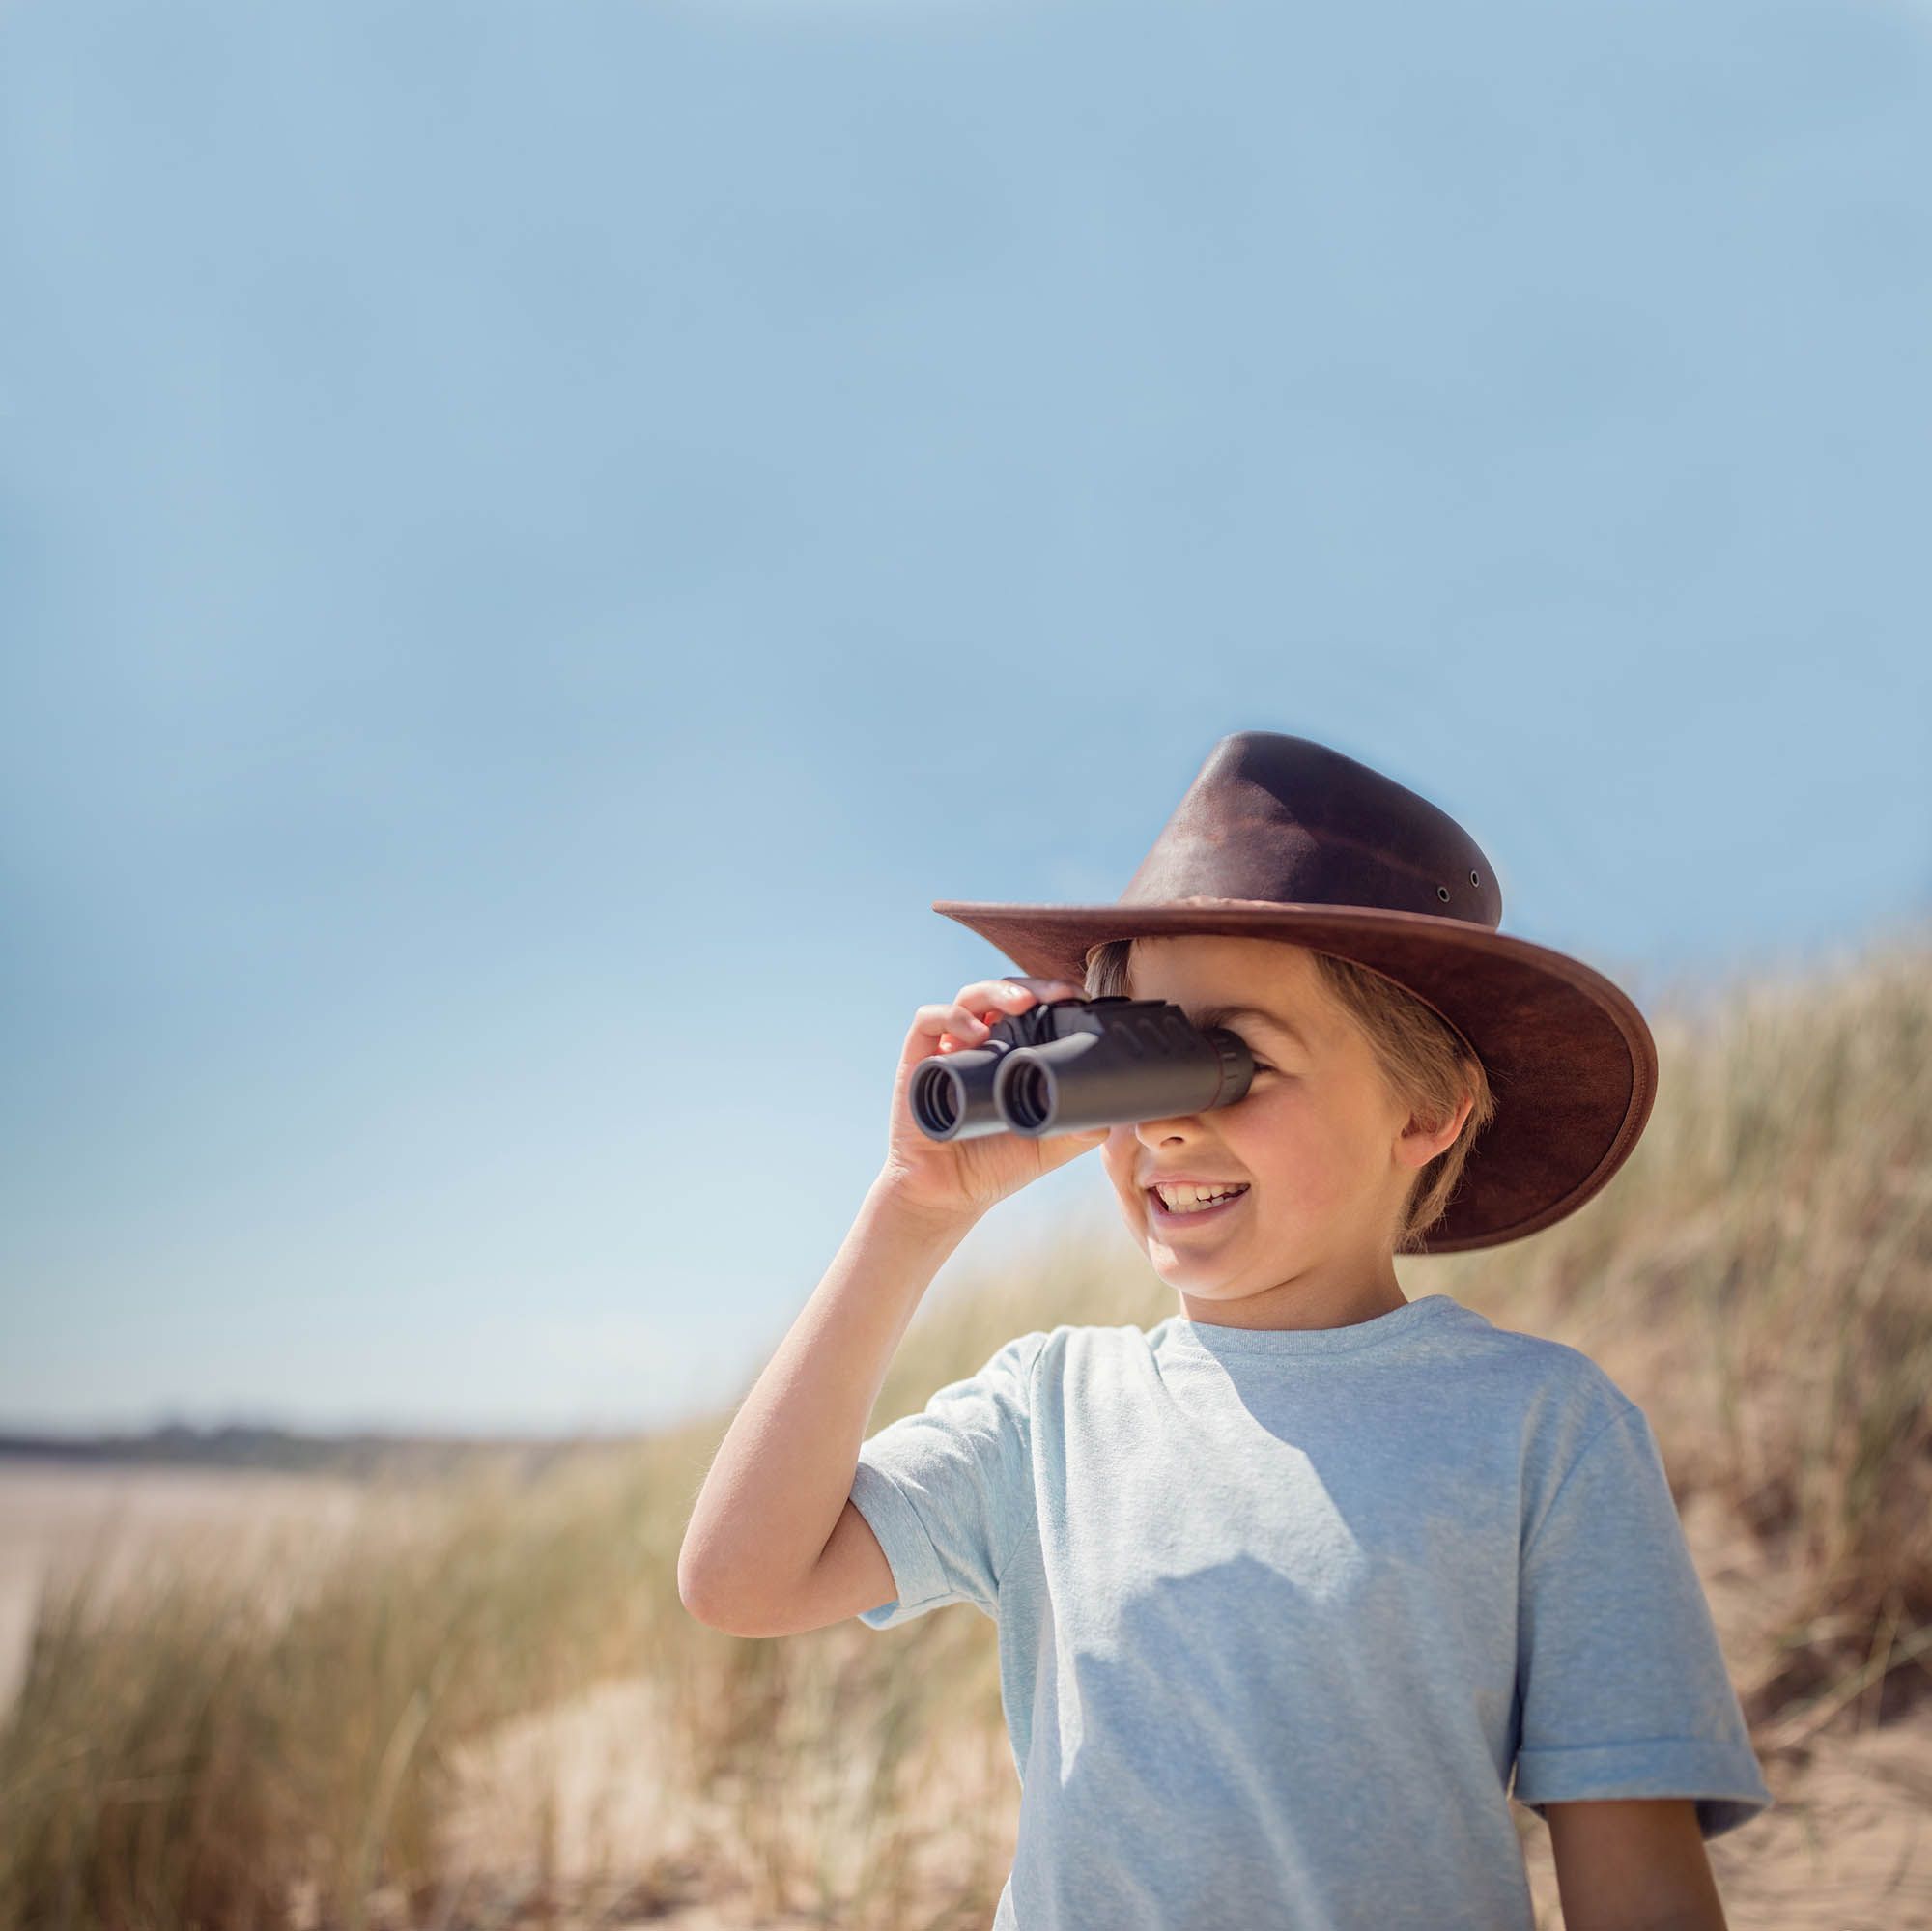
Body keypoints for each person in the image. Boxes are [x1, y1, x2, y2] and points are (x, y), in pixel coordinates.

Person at [678, 730, 1774, 1930]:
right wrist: (910, 1209)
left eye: (1225, 1060)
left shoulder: (1541, 1429)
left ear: (1424, 1107)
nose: (1166, 1127)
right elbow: (742, 1577)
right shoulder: (1050, 1406)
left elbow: (1634, 1870)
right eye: (1130, 1057)